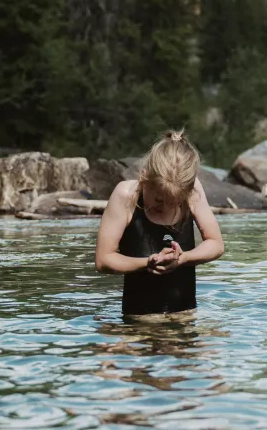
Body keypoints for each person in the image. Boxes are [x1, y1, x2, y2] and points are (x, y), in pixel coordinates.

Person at [95, 130, 225, 318]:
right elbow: (103, 259)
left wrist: (183, 259)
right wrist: (148, 263)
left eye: (174, 202)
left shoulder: (193, 189)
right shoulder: (126, 195)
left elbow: (216, 244)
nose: (165, 207)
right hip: (139, 320)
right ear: (144, 177)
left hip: (185, 315)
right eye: (158, 201)